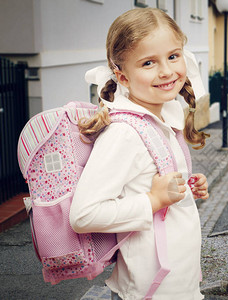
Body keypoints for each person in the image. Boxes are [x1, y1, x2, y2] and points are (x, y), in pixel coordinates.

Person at [70, 7, 209, 300]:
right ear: (122, 76)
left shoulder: (163, 117)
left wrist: (185, 189)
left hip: (177, 286)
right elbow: (83, 215)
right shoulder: (124, 133)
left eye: (173, 56)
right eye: (148, 63)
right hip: (149, 291)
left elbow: (151, 182)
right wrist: (153, 200)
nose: (167, 71)